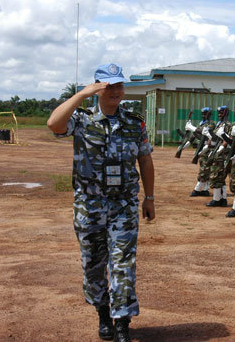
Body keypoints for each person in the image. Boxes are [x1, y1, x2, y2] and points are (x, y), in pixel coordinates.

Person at [47, 63, 155, 342]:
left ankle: (122, 323)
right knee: (93, 265)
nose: (116, 91)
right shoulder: (82, 119)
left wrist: (150, 197)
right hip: (90, 205)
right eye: (109, 86)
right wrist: (81, 95)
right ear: (97, 87)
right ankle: (103, 313)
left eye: (119, 85)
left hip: (124, 205)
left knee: (122, 263)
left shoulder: (134, 122)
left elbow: (144, 158)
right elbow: (54, 124)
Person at [206, 105, 232, 207]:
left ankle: (217, 199)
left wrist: (221, 147)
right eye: (219, 113)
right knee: (218, 176)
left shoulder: (228, 125)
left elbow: (228, 137)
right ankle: (222, 198)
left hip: (223, 153)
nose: (220, 115)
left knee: (217, 175)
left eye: (222, 113)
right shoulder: (219, 124)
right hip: (217, 150)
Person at [190, 107, 215, 197]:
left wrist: (193, 128)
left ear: (209, 114)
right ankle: (205, 189)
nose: (204, 115)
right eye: (203, 114)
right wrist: (189, 140)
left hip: (208, 148)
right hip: (201, 148)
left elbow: (205, 132)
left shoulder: (211, 124)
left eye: (206, 113)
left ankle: (197, 189)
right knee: (204, 167)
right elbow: (196, 134)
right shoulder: (201, 123)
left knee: (204, 169)